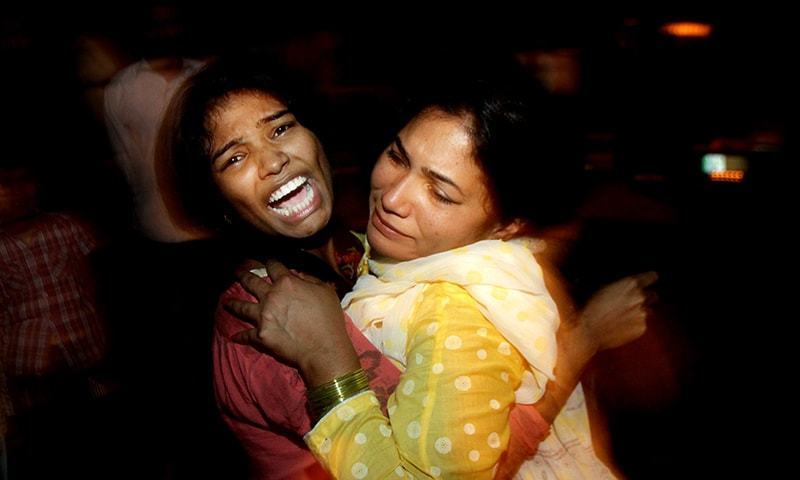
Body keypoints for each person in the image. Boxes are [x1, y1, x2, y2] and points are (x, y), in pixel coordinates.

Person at [168, 57, 654, 478]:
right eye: (234, 157)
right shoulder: (257, 321)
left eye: (280, 127)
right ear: (221, 205)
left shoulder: (372, 254)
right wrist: (583, 341)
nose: (273, 159)